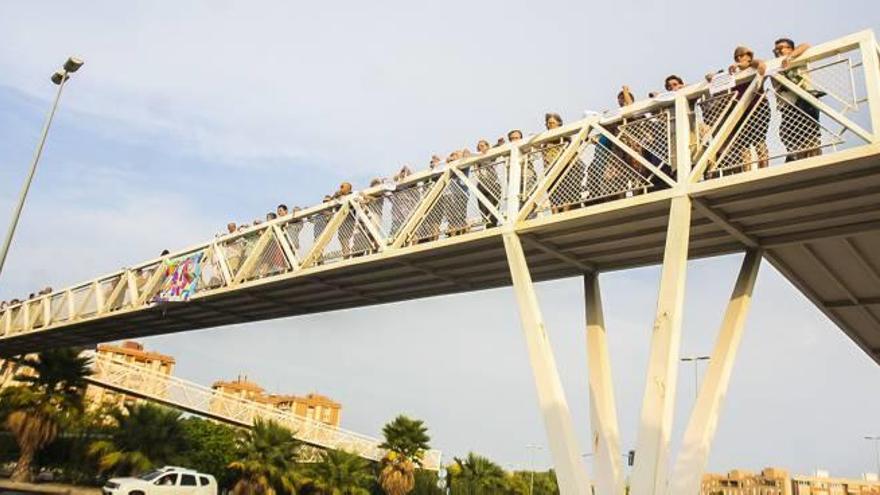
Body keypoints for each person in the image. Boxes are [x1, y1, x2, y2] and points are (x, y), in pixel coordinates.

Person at [773, 37, 821, 162]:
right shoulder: (773, 65)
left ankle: (815, 163)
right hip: (787, 106)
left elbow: (806, 44)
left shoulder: (799, 57)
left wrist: (790, 57)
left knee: (810, 138)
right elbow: (758, 63)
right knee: (790, 137)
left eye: (782, 48)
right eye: (776, 49)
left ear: (791, 49)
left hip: (804, 100)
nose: (779, 51)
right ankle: (798, 161)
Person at [726, 45, 769, 171]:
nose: (740, 58)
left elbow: (761, 64)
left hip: (758, 108)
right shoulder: (733, 73)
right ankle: (747, 171)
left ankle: (764, 170)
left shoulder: (754, 66)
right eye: (737, 56)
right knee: (743, 145)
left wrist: (745, 64)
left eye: (744, 55)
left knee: (759, 140)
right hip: (740, 111)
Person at [474, 138, 501, 227]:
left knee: (494, 205)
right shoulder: (476, 157)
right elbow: (467, 155)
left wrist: (498, 144)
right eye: (479, 147)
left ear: (487, 146)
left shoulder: (491, 154)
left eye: (482, 146)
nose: (481, 148)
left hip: (493, 183)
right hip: (481, 184)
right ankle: (487, 224)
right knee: (483, 207)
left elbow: (497, 149)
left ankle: (493, 224)